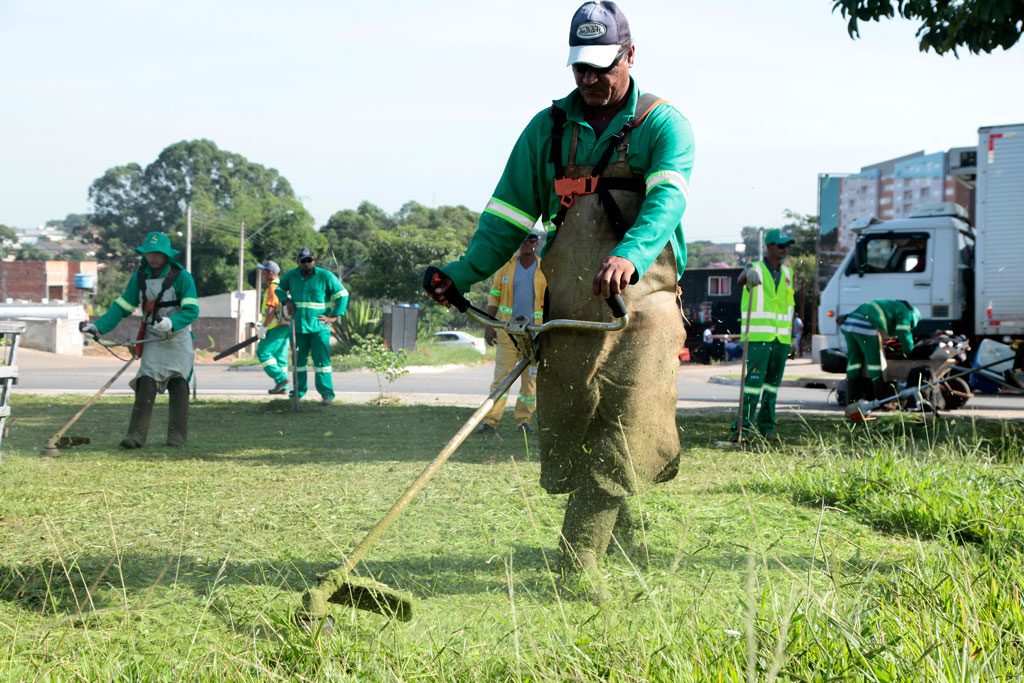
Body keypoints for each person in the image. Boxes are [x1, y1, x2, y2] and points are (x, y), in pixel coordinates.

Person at [423, 1, 694, 599]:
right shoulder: (546, 131)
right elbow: (505, 217)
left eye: (603, 66)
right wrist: (461, 273)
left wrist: (631, 254)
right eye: (580, 67)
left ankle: (577, 561)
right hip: (571, 307)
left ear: (630, 55)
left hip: (644, 306)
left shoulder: (663, 124)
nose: (590, 78)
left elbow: (666, 202)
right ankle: (624, 536)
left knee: (629, 422)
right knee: (575, 427)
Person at [81, 231, 200, 448]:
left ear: (167, 255)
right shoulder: (140, 277)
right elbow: (122, 306)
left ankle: (176, 438)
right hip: (152, 337)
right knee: (146, 380)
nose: (152, 257)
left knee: (178, 383)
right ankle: (135, 436)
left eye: (157, 253)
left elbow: (192, 311)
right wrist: (98, 326)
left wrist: (172, 322)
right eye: (149, 253)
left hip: (178, 338)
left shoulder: (182, 276)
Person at [474, 232, 547, 436]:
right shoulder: (506, 267)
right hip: (507, 333)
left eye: (531, 240)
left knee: (530, 382)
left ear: (536, 243)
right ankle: (490, 422)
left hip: (533, 335)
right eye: (523, 240)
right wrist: (489, 325)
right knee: (501, 379)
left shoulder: (543, 269)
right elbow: (494, 298)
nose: (527, 244)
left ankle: (524, 420)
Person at [731, 229, 796, 442]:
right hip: (759, 337)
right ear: (769, 246)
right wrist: (747, 276)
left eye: (787, 245)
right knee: (752, 385)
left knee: (771, 387)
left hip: (781, 339)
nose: (785, 249)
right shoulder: (755, 267)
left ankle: (767, 428)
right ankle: (741, 429)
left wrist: (794, 337)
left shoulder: (788, 273)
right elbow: (741, 278)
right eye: (781, 245)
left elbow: (790, 306)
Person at [277, 248, 349, 406]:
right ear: (298, 262)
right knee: (298, 362)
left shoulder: (325, 275)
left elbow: (343, 294)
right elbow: (279, 289)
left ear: (314, 260)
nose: (306, 263)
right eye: (303, 260)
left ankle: (327, 395)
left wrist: (334, 315)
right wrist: (286, 301)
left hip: (319, 327)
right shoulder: (291, 275)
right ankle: (297, 393)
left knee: (322, 362)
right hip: (298, 327)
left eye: (309, 260)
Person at [841, 299, 921, 404]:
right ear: (913, 318)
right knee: (874, 363)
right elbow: (904, 332)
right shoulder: (906, 312)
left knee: (854, 362)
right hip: (866, 326)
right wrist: (910, 352)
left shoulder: (893, 306)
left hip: (849, 324)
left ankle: (851, 400)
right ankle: (881, 400)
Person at [254, 260, 290, 395]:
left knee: (263, 352)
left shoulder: (273, 287)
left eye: (264, 272)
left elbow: (271, 310)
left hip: (275, 327)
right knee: (280, 357)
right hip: (285, 326)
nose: (262, 275)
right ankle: (283, 387)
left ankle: (281, 379)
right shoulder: (282, 286)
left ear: (270, 273)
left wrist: (264, 327)